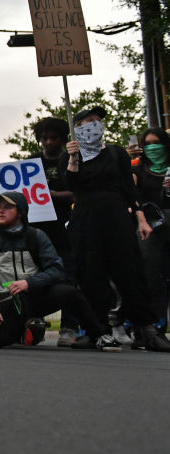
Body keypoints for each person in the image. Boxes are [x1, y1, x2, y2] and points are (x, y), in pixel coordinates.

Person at [60, 106, 170, 351]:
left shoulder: (116, 153)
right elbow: (72, 185)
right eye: (89, 121)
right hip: (86, 217)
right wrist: (72, 159)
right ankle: (96, 329)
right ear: (77, 126)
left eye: (98, 120)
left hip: (117, 216)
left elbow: (129, 190)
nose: (95, 124)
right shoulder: (70, 154)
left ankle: (147, 328)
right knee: (90, 273)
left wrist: (141, 218)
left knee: (130, 270)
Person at [0, 191, 117, 350]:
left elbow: (57, 269)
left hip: (35, 296)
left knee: (69, 292)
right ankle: (27, 328)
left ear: (20, 212)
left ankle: (99, 335)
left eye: (7, 207)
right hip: (6, 302)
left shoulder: (36, 236)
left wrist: (29, 283)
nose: (0, 211)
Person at [29, 117, 77, 344]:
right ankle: (34, 322)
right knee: (35, 278)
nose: (49, 142)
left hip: (66, 229)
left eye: (54, 138)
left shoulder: (72, 160)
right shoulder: (31, 163)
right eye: (44, 138)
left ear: (63, 138)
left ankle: (69, 327)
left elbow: (80, 191)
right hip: (38, 231)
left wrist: (54, 196)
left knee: (69, 277)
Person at [133, 126, 170, 333]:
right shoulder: (138, 170)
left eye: (157, 143)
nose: (152, 148)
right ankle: (153, 324)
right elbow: (131, 194)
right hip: (149, 226)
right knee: (151, 275)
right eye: (147, 144)